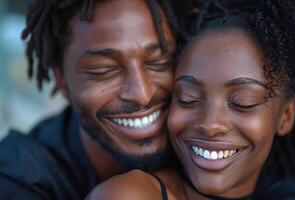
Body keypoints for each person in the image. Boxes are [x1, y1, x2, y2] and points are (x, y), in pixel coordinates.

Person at [87, 0, 295, 199]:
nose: (211, 124)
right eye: (188, 99)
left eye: (243, 102)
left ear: (286, 116)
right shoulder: (130, 194)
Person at [0, 0, 184, 199]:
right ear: (62, 81)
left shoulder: (209, 142)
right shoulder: (19, 182)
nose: (142, 94)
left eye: (159, 63)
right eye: (103, 71)